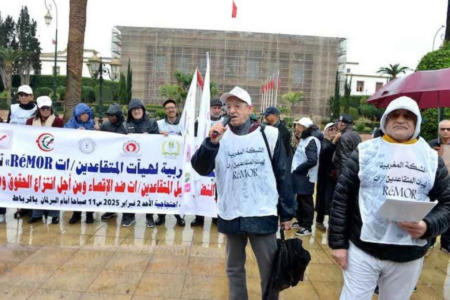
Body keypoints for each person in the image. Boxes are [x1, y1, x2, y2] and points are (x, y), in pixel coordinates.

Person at [329, 97, 450, 300]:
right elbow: (342, 199)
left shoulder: (431, 159)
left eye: (408, 116)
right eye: (394, 114)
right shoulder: (365, 152)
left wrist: (427, 226)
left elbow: (446, 204)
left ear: (416, 122)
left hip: (408, 253)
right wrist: (338, 244)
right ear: (385, 120)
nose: (400, 119)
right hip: (363, 248)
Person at [191, 86, 294, 300]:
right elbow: (200, 168)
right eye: (228, 106)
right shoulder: (217, 135)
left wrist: (286, 213)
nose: (232, 111)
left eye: (238, 106)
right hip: (231, 212)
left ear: (250, 109)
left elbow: (282, 174)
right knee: (234, 268)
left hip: (262, 212)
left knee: (269, 269)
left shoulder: (270, 134)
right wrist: (211, 143)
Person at [26, 96, 63, 224]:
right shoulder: (30, 121)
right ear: (39, 109)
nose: (46, 110)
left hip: (53, 159)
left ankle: (54, 214)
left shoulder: (57, 121)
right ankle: (36, 213)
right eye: (43, 108)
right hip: (35, 159)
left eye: (48, 108)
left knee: (53, 186)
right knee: (36, 186)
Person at [123, 98, 160, 227]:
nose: (137, 111)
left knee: (147, 191)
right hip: (130, 165)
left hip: (147, 164)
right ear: (130, 112)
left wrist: (149, 137)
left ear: (143, 110)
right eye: (134, 109)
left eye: (139, 108)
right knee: (130, 190)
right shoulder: (125, 125)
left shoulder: (151, 124)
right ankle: (129, 216)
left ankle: (149, 217)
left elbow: (157, 141)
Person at [4, 85, 38, 221]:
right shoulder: (13, 108)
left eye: (26, 95)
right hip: (15, 148)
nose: (23, 98)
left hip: (30, 148)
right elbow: (7, 126)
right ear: (18, 97)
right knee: (18, 178)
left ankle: (30, 207)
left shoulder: (37, 110)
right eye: (21, 95)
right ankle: (21, 207)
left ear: (31, 97)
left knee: (29, 178)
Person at [191, 98, 223, 227]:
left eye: (218, 108)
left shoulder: (225, 123)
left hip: (219, 159)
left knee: (217, 190)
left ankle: (216, 216)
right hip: (204, 159)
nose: (216, 110)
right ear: (209, 109)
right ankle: (199, 217)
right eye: (214, 108)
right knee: (201, 188)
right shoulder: (200, 122)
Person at [64, 103, 96, 224]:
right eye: (83, 114)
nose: (86, 116)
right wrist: (75, 133)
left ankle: (89, 214)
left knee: (90, 188)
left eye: (87, 113)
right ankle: (76, 213)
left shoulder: (92, 124)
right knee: (76, 188)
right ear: (78, 115)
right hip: (76, 162)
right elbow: (64, 135)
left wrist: (95, 130)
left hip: (90, 162)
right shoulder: (71, 124)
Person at [155, 99, 185, 227]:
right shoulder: (159, 124)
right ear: (164, 110)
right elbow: (152, 139)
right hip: (163, 163)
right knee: (162, 189)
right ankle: (161, 216)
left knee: (178, 190)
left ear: (176, 109)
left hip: (179, 162)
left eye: (173, 107)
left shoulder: (184, 123)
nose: (170, 110)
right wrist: (158, 135)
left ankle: (179, 216)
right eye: (168, 108)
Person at [291, 117, 322, 236]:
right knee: (300, 198)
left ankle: (307, 226)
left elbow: (312, 160)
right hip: (299, 175)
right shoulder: (305, 138)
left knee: (306, 201)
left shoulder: (312, 140)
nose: (297, 128)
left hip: (305, 176)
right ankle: (300, 221)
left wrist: (298, 169)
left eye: (298, 126)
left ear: (304, 127)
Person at [100, 104, 128, 221]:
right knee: (111, 187)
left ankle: (127, 212)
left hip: (124, 162)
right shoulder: (105, 126)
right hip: (110, 161)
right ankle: (111, 209)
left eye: (113, 116)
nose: (111, 118)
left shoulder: (125, 126)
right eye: (109, 116)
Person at [429, 119, 450, 253]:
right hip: (436, 185)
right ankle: (430, 240)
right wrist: (432, 154)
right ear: (439, 130)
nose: (446, 131)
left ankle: (446, 243)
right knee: (433, 212)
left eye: (448, 129)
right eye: (443, 129)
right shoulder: (431, 144)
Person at [315, 122, 339, 232]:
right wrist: (333, 142)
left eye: (335, 129)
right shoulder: (323, 142)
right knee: (323, 198)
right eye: (330, 129)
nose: (333, 131)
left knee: (333, 198)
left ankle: (331, 221)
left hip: (334, 175)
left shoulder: (339, 143)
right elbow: (324, 153)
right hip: (324, 175)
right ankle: (319, 220)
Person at [332, 113, 362, 178]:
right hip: (355, 170)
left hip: (346, 174)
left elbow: (344, 159)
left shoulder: (344, 137)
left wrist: (343, 177)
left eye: (338, 122)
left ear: (341, 124)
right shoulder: (356, 134)